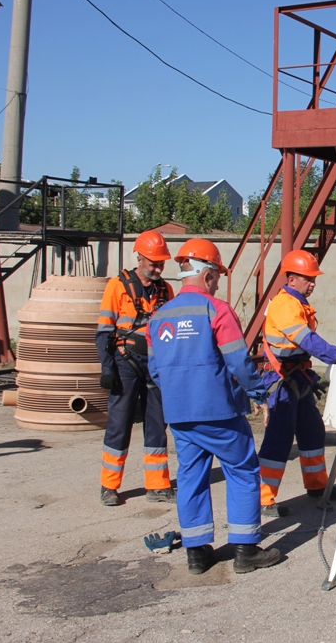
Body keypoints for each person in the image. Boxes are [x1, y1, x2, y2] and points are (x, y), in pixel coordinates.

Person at [147, 238, 281, 575]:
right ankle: (246, 550)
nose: (218, 282)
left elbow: (154, 370)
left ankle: (197, 554)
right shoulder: (216, 310)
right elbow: (237, 359)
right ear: (207, 276)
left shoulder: (159, 316)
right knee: (242, 472)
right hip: (218, 411)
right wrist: (258, 394)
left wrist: (179, 394)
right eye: (218, 276)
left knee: (191, 477)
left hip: (178, 412)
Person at [257, 250, 336, 517]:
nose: (313, 283)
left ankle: (316, 486)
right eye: (308, 278)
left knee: (312, 433)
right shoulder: (285, 304)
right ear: (291, 279)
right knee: (278, 441)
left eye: (313, 278)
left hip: (298, 378)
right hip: (282, 380)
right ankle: (262, 499)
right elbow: (307, 340)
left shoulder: (297, 303)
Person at [96, 230, 175, 506]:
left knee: (157, 423)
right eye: (153, 263)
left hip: (156, 364)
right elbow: (104, 331)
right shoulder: (117, 286)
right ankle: (109, 486)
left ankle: (157, 485)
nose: (158, 268)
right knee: (119, 422)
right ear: (139, 257)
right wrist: (107, 368)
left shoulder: (166, 290)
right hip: (125, 362)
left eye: (161, 263)